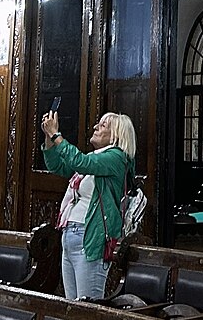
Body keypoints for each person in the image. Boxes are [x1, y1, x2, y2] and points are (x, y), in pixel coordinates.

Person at [40, 109, 136, 300]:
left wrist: (56, 134)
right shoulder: (97, 159)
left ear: (116, 135)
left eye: (102, 125)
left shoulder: (116, 158)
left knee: (87, 307)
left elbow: (79, 161)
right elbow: (57, 166)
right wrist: (48, 137)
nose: (95, 127)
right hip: (70, 235)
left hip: (90, 238)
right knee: (72, 308)